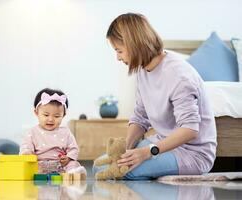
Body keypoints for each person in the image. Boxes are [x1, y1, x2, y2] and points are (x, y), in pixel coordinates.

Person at [93, 13, 217, 180]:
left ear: (133, 44)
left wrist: (147, 152)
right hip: (160, 143)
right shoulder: (144, 70)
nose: (118, 57)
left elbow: (190, 129)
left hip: (191, 153)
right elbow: (140, 117)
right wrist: (126, 149)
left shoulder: (180, 77)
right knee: (99, 167)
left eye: (119, 50)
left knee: (123, 172)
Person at [20, 88, 86, 174]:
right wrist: (27, 153)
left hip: (61, 165)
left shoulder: (65, 132)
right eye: (46, 115)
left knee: (73, 164)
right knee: (26, 166)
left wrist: (68, 158)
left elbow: (73, 148)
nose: (50, 119)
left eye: (57, 116)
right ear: (36, 113)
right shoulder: (32, 132)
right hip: (39, 165)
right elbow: (26, 146)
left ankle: (72, 174)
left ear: (63, 115)